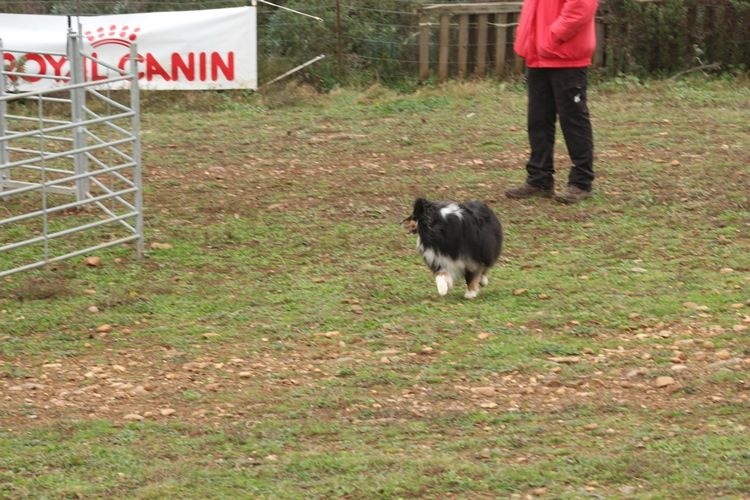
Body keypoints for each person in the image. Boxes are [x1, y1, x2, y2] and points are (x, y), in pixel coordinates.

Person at [505, 0, 599, 204]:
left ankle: (581, 182)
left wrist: (554, 34)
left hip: (565, 54)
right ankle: (539, 179)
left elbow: (582, 5)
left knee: (573, 120)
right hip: (539, 54)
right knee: (538, 120)